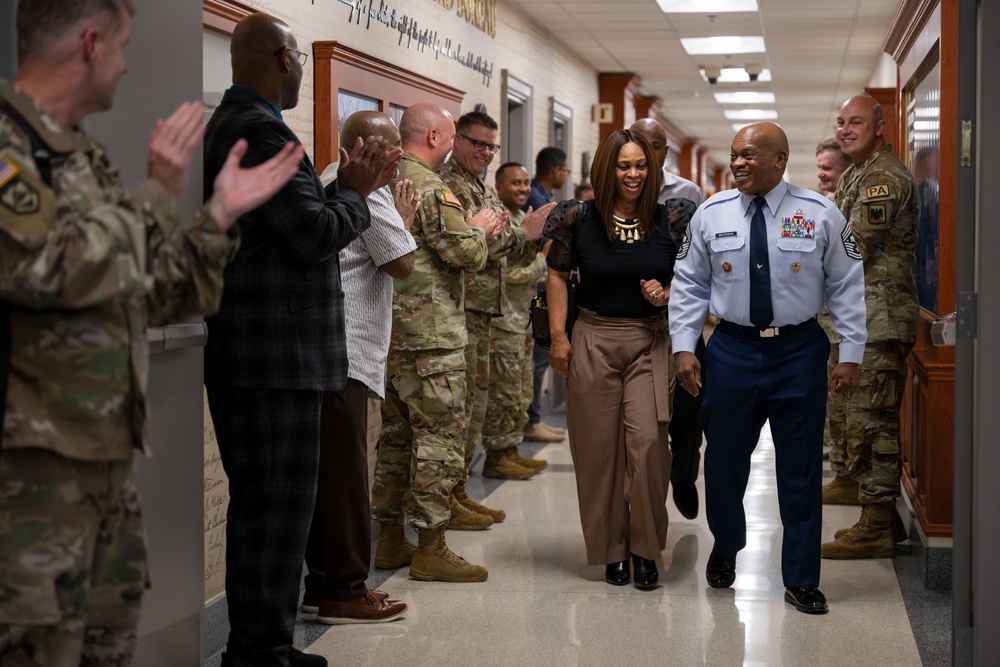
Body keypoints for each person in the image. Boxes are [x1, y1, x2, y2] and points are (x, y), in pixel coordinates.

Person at [0, 1, 304, 663]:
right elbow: (49, 268)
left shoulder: (84, 157)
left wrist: (218, 216)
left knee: (106, 648)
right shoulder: (8, 148)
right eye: (121, 45)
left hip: (102, 469)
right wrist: (158, 194)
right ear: (89, 43)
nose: (126, 63)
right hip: (28, 483)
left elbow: (160, 291)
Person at [202, 13, 398, 667]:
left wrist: (341, 192)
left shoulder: (251, 124)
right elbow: (313, 233)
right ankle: (255, 650)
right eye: (302, 60)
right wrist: (356, 190)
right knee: (270, 514)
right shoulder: (256, 131)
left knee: (277, 517)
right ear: (283, 58)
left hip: (273, 356)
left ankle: (266, 643)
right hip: (271, 358)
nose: (302, 73)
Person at [669, 122, 867, 614]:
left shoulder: (818, 213)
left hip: (798, 351)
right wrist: (683, 346)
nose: (738, 163)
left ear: (780, 160)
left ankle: (801, 578)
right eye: (735, 154)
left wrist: (851, 353)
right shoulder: (711, 214)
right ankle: (727, 543)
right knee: (723, 462)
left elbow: (846, 284)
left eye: (750, 154)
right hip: (731, 350)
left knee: (799, 470)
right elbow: (689, 282)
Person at [545, 128, 694, 591]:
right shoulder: (577, 217)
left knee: (649, 445)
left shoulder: (672, 217)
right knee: (598, 453)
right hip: (593, 337)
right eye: (623, 165)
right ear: (606, 170)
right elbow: (557, 274)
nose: (633, 174)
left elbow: (694, 278)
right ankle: (612, 550)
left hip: (650, 341)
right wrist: (558, 337)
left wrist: (666, 294)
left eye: (641, 165)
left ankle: (645, 548)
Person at [370, 103, 501, 582]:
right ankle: (430, 546)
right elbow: (465, 252)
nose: (450, 145)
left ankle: (388, 541)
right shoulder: (428, 184)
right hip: (431, 339)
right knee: (438, 443)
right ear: (431, 136)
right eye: (448, 136)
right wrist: (481, 229)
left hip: (391, 336)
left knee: (396, 440)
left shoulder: (381, 177)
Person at [301, 111, 416, 625]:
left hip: (331, 351)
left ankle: (321, 585)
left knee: (329, 474)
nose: (398, 161)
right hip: (345, 353)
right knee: (345, 477)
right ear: (365, 148)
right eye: (390, 151)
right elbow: (402, 263)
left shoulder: (328, 177)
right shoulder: (369, 193)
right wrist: (405, 225)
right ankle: (344, 591)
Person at [821, 95, 919, 560]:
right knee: (851, 413)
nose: (845, 129)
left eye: (855, 121)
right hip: (857, 314)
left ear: (880, 127)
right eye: (841, 122)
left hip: (879, 316)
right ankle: (859, 491)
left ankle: (878, 523)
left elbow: (853, 240)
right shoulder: (858, 172)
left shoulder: (882, 176)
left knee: (873, 422)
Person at [440, 112, 556, 497]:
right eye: (478, 143)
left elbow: (501, 245)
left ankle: (459, 493)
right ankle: (453, 495)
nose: (485, 152)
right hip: (460, 312)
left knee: (476, 404)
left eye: (492, 146)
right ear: (456, 141)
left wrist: (526, 237)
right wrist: (521, 236)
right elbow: (474, 248)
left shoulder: (480, 187)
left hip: (486, 312)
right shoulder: (450, 186)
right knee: (461, 411)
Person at [631, 118, 706, 521]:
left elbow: (697, 261)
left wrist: (674, 293)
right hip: (633, 320)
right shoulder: (614, 190)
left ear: (664, 151)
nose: (647, 152)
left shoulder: (687, 194)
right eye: (640, 143)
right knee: (646, 418)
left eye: (655, 146)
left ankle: (684, 473)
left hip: (681, 317)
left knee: (690, 407)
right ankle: (648, 500)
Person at [480, 162, 551, 485]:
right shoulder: (500, 223)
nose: (522, 189)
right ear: (498, 187)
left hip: (523, 319)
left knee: (521, 391)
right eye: (515, 183)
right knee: (504, 394)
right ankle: (496, 455)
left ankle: (510, 450)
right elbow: (512, 272)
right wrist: (542, 258)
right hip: (503, 321)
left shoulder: (526, 220)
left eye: (525, 183)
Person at [522, 147, 570, 445]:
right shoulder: (540, 201)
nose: (564, 175)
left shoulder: (540, 194)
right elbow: (545, 249)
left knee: (539, 358)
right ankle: (532, 421)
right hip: (537, 286)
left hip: (539, 282)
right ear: (555, 170)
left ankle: (534, 418)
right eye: (564, 169)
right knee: (538, 357)